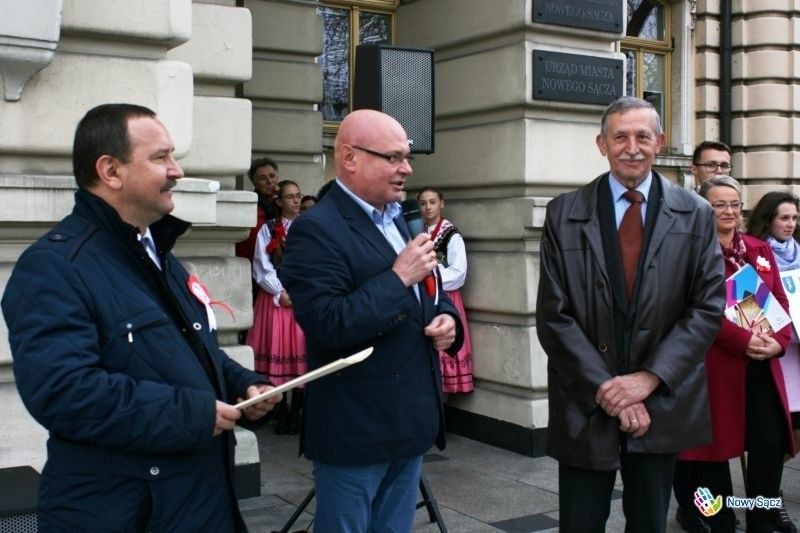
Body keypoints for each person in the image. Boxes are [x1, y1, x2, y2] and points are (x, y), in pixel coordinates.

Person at [1, 103, 281, 531]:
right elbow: (63, 393)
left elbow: (185, 351)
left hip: (197, 504)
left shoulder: (156, 253)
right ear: (111, 171)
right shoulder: (55, 267)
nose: (177, 170)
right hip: (125, 513)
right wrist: (192, 414)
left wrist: (243, 384)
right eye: (160, 157)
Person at [536, 96, 726, 533]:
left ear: (659, 142)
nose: (632, 147)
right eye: (620, 136)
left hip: (662, 401)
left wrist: (647, 380)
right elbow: (554, 315)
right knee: (580, 524)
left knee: (649, 523)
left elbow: (706, 308)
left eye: (643, 136)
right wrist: (608, 389)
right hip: (586, 402)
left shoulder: (696, 213)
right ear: (602, 144)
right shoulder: (564, 212)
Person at [279, 109, 463, 532]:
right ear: (349, 157)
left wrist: (447, 323)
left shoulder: (401, 220)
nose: (407, 169)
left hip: (410, 422)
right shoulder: (315, 229)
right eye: (394, 157)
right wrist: (398, 277)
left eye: (407, 157)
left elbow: (430, 294)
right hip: (356, 430)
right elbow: (328, 323)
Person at [676, 177, 795, 533]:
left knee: (770, 445)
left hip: (762, 364)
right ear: (702, 209)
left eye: (735, 204)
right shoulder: (691, 254)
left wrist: (780, 341)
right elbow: (696, 310)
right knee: (713, 453)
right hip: (716, 366)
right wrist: (741, 341)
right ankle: (721, 521)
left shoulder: (759, 249)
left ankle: (760, 517)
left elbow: (780, 302)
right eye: (720, 204)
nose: (730, 211)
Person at [746, 191, 800, 533]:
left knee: (795, 433)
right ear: (768, 219)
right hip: (775, 357)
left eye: (795, 218)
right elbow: (749, 304)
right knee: (773, 438)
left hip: (799, 359)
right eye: (784, 218)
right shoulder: (753, 253)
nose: (791, 225)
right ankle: (768, 500)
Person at [245, 179, 307, 434]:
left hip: (302, 300)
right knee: (276, 353)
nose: (296, 201)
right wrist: (279, 292)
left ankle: (296, 414)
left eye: (298, 195)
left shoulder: (310, 226)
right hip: (276, 301)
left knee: (302, 357)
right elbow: (261, 265)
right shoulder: (268, 229)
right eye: (290, 197)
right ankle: (279, 411)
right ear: (279, 202)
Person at [417, 186, 473, 394]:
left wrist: (431, 278)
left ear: (442, 203)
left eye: (432, 202)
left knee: (443, 343)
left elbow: (459, 272)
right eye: (423, 203)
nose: (428, 207)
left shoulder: (451, 235)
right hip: (425, 296)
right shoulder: (418, 231)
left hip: (446, 297)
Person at [235, 156, 279, 263]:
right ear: (255, 183)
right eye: (263, 178)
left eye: (272, 176)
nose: (269, 181)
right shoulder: (249, 209)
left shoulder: (283, 204)